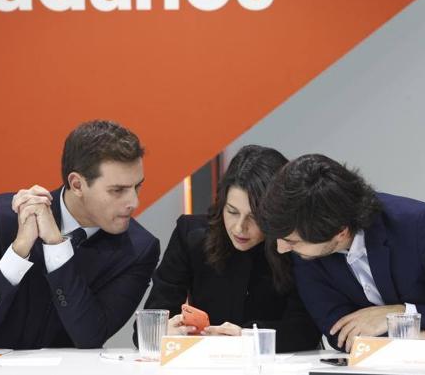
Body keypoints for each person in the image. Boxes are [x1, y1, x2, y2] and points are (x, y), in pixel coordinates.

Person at [258, 154, 425, 358]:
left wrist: (399, 314)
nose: (282, 248)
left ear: (340, 232)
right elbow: (341, 336)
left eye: (292, 240)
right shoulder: (305, 251)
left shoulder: (422, 227)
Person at [0, 120, 160, 351]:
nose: (134, 202)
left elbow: (89, 337)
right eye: (118, 190)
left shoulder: (139, 249)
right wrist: (19, 249)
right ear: (77, 184)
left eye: (137, 187)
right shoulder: (1, 216)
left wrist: (57, 247)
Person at [135, 145, 320, 352]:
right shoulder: (191, 234)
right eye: (232, 211)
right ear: (222, 203)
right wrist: (164, 331)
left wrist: (248, 337)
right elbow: (146, 326)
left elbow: (307, 331)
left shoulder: (295, 244)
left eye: (255, 217)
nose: (240, 227)